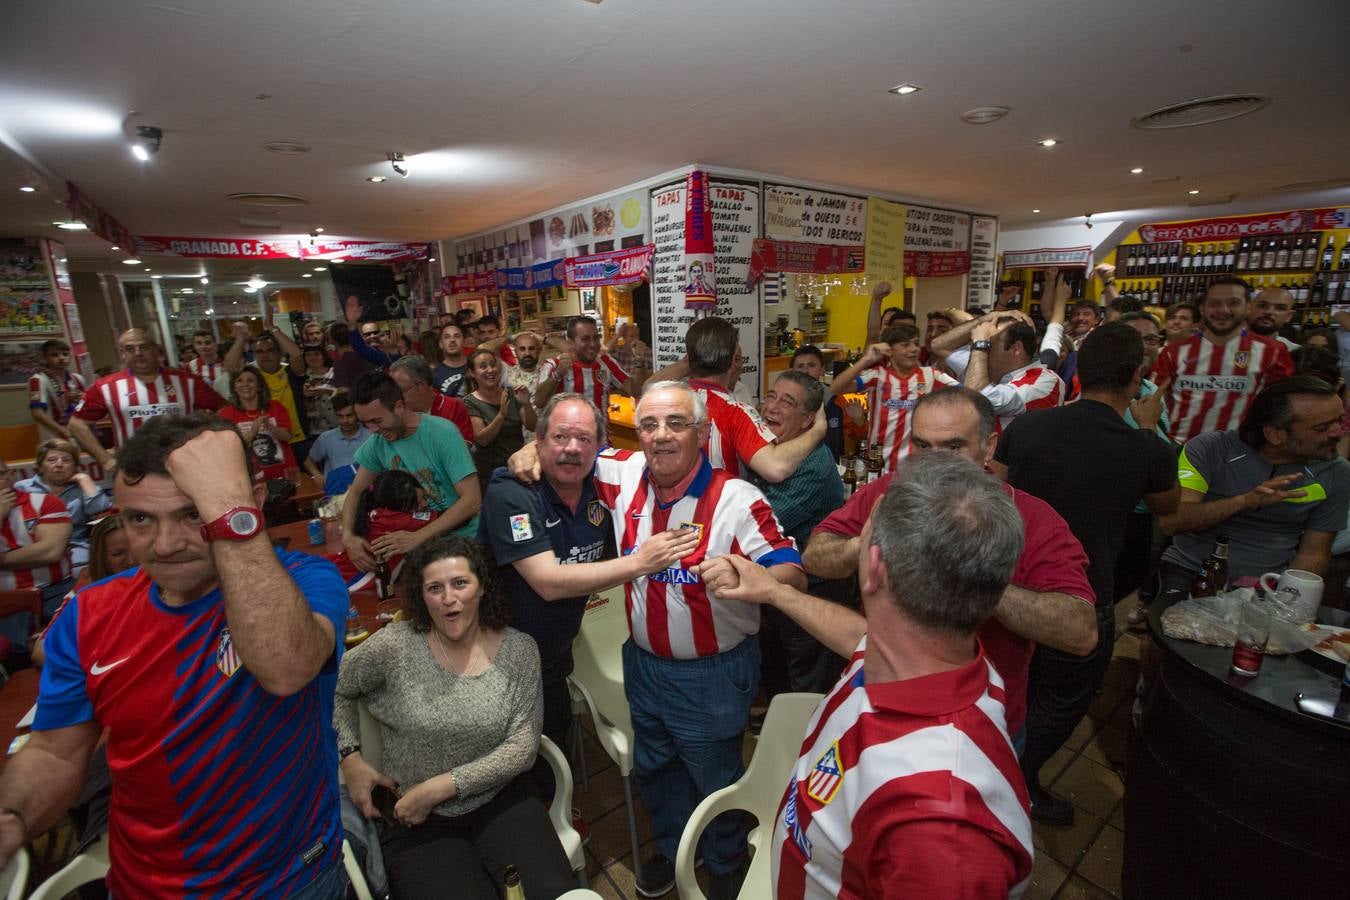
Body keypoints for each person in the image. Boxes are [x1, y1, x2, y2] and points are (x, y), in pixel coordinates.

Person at [0, 413, 350, 897]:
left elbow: (286, 667)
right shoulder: (91, 612)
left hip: (286, 882)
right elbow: (54, 754)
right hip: (142, 884)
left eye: (192, 515)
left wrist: (230, 505)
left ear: (251, 503)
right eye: (140, 519)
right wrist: (12, 819)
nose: (165, 545)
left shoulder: (304, 581)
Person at [701, 452, 1035, 899]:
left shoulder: (940, 825)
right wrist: (775, 592)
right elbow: (860, 636)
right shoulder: (928, 653)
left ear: (874, 568)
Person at [593, 380, 805, 897]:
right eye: (649, 424)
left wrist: (751, 578)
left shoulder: (735, 498)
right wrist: (536, 447)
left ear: (703, 431)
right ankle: (672, 849)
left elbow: (793, 572)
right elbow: (567, 449)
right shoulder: (623, 475)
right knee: (655, 768)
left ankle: (723, 859)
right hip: (643, 665)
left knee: (715, 776)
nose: (661, 436)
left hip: (712, 674)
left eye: (676, 423)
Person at [801, 388, 1096, 746]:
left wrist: (971, 575)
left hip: (978, 727)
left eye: (953, 447)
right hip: (877, 699)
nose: (933, 461)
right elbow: (816, 556)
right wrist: (862, 544)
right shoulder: (890, 493)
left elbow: (1080, 632)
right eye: (922, 446)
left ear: (989, 447)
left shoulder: (1033, 518)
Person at [992, 323, 1180, 825]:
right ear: (1137, 377)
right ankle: (1019, 780)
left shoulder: (1026, 428)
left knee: (1016, 685)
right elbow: (1171, 511)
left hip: (1015, 585)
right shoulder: (1146, 448)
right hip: (1082, 594)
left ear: (1080, 373)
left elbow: (996, 493)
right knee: (1063, 700)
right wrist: (1146, 429)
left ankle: (997, 768)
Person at [335, 536, 575, 898]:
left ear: (481, 588)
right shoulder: (395, 646)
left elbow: (522, 749)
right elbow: (334, 688)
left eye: (460, 583)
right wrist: (350, 758)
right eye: (435, 588)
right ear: (421, 595)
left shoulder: (519, 649)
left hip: (501, 800)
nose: (449, 598)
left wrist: (438, 788)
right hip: (418, 821)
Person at [479, 393, 699, 754]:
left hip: (554, 657)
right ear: (538, 440)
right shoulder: (513, 491)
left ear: (600, 447)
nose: (572, 449)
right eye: (560, 437)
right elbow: (547, 583)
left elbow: (665, 462)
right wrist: (641, 563)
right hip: (498, 664)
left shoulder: (604, 486)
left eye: (584, 439)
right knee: (511, 762)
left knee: (553, 748)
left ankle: (557, 808)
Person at [1157, 376, 1350, 589]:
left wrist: (1287, 600)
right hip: (1190, 570)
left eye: (1339, 421)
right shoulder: (1210, 449)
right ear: (1275, 434)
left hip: (1268, 585)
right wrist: (1244, 501)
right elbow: (1172, 522)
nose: (1339, 433)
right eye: (1323, 428)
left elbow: (1313, 553)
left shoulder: (1335, 472)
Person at [752, 370, 847, 696]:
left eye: (787, 402)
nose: (772, 408)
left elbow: (760, 527)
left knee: (806, 685)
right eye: (772, 396)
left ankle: (799, 741)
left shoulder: (813, 467)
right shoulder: (770, 450)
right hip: (779, 587)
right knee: (775, 670)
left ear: (808, 420)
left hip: (815, 594)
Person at [342, 372, 481, 572]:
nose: (372, 430)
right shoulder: (378, 442)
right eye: (366, 424)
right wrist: (348, 536)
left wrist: (417, 537)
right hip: (415, 546)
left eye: (377, 421)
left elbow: (472, 500)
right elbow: (355, 492)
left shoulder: (442, 434)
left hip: (461, 541)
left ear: (399, 407)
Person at [664, 316, 828, 482]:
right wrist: (818, 430)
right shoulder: (735, 412)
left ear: (689, 359)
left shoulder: (664, 401)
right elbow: (775, 468)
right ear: (731, 362)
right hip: (717, 506)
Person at [1152, 277, 1294, 445]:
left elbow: (1282, 408)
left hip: (1238, 453)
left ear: (1248, 308)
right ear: (1203, 309)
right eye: (1214, 303)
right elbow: (1155, 402)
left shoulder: (1272, 352)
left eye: (1233, 303)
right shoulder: (1173, 352)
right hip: (1179, 450)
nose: (1223, 310)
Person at [67, 328, 225, 471]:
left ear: (156, 350)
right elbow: (76, 424)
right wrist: (106, 461)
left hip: (185, 469)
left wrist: (209, 444)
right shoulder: (104, 386)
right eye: (130, 349)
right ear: (122, 354)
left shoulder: (188, 381)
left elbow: (224, 410)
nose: (138, 353)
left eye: (144, 347)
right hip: (133, 472)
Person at [831, 322, 959, 471]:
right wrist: (866, 360)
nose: (913, 350)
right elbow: (836, 388)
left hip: (916, 467)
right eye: (905, 345)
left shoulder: (932, 375)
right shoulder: (877, 376)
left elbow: (968, 394)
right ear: (889, 350)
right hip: (878, 464)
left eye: (916, 344)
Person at [0, 456, 73, 644]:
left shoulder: (46, 502)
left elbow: (51, 551)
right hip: (4, 601)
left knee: (77, 636)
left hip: (56, 589)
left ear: (11, 475)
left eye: (0, 474)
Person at [14, 439, 113, 568]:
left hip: (75, 550)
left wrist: (84, 479)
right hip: (31, 550)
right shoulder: (22, 488)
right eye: (52, 460)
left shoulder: (84, 487)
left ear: (75, 467)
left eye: (66, 460)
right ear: (40, 467)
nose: (59, 464)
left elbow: (102, 513)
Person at [225, 324, 313, 462]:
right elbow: (230, 368)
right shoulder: (252, 377)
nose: (265, 355)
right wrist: (241, 339)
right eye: (260, 351)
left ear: (280, 353)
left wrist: (273, 328)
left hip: (297, 439)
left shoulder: (291, 372)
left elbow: (296, 354)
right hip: (266, 440)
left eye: (270, 350)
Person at [534, 316, 643, 412]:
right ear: (571, 342)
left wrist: (639, 361)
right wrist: (557, 374)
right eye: (585, 339)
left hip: (599, 434)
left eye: (596, 338)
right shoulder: (554, 365)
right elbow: (539, 402)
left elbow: (635, 391)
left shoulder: (605, 362)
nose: (592, 344)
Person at [463, 349, 537, 491]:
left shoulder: (511, 393)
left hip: (517, 468)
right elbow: (482, 439)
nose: (490, 370)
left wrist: (526, 403)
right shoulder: (469, 402)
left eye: (493, 364)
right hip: (490, 475)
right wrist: (501, 415)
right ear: (472, 373)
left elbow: (532, 426)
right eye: (483, 367)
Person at [218, 365, 298, 482]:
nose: (245, 384)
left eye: (250, 380)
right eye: (239, 381)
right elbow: (230, 449)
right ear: (234, 387)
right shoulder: (226, 414)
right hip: (249, 478)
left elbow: (287, 436)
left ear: (259, 386)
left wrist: (271, 428)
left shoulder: (275, 406)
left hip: (282, 473)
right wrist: (252, 431)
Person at [389, 355, 474, 444]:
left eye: (400, 391)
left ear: (422, 386)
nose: (395, 397)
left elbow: (464, 447)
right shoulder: (396, 414)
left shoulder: (454, 407)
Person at [304, 392, 372, 496]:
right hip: (334, 491)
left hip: (363, 491)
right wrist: (317, 474)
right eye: (340, 416)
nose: (345, 420)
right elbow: (309, 461)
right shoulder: (326, 438)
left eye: (349, 415)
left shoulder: (371, 437)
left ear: (357, 414)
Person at [791, 345, 845, 461]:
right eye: (800, 366)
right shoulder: (782, 405)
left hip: (831, 469)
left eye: (811, 365)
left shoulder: (836, 401)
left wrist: (859, 421)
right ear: (792, 372)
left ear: (822, 370)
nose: (805, 371)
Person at [28, 339, 85, 442]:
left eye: (65, 354)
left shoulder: (77, 379)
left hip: (80, 432)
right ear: (45, 358)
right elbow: (37, 414)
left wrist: (83, 399)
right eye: (55, 355)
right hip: (55, 436)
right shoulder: (38, 380)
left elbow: (86, 407)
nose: (61, 358)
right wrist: (62, 431)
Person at [300, 343, 340, 435]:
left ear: (324, 356)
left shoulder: (335, 372)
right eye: (308, 355)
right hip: (315, 429)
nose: (312, 357)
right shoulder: (302, 376)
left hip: (337, 423)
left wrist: (326, 391)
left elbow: (345, 393)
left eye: (316, 354)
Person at [330, 322, 374, 392]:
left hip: (356, 400)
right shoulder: (368, 355)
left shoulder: (340, 363)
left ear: (331, 340)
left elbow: (343, 390)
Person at [433, 321, 472, 397]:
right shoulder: (435, 374)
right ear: (441, 344)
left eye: (457, 336)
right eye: (447, 337)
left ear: (464, 341)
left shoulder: (475, 365)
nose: (452, 340)